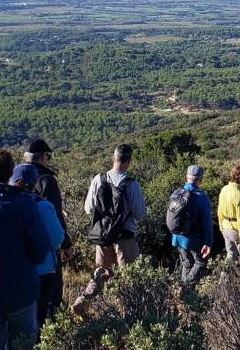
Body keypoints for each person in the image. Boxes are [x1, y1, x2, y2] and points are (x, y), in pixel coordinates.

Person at [0, 148, 51, 350]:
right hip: (20, 291)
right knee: (23, 346)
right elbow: (40, 251)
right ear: (9, 172)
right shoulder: (24, 203)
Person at [72, 144, 147, 317]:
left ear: (113, 158)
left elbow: (89, 209)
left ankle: (83, 303)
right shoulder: (131, 184)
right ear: (128, 161)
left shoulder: (99, 179)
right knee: (130, 278)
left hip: (103, 237)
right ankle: (129, 315)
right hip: (125, 238)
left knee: (101, 275)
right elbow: (140, 214)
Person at [10, 164, 65, 328]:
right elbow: (57, 240)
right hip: (43, 269)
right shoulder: (44, 206)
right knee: (39, 317)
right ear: (35, 184)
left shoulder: (6, 204)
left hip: (13, 269)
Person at [22, 139, 72, 317]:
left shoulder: (15, 178)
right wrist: (65, 243)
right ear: (43, 157)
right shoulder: (46, 180)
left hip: (20, 247)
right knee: (51, 296)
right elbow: (55, 214)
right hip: (46, 247)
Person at [171, 165, 213, 285]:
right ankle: (186, 288)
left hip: (178, 237)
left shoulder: (176, 193)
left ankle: (184, 295)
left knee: (187, 263)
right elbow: (207, 223)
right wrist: (208, 243)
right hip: (194, 240)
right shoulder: (202, 197)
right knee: (200, 263)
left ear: (186, 177)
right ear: (201, 179)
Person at [217, 165, 240, 260]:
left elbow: (219, 210)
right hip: (236, 230)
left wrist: (221, 226)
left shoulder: (224, 189)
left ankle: (224, 274)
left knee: (230, 254)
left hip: (225, 227)